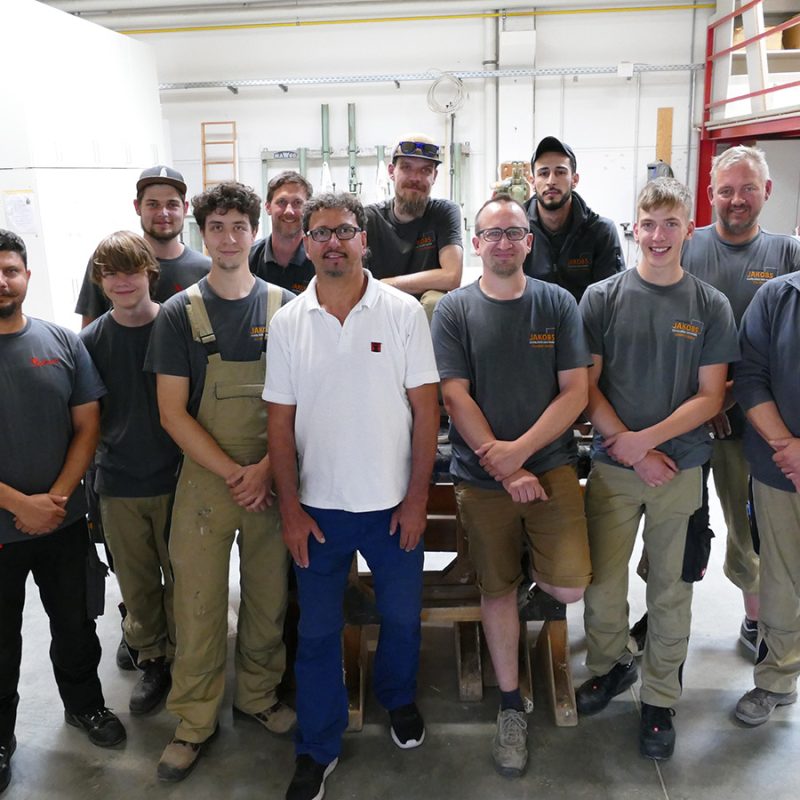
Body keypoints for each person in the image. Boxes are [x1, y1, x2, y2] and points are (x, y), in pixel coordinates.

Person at [264, 192, 439, 800]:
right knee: (316, 632)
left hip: (392, 507)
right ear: (305, 243)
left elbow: (426, 412)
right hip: (318, 511)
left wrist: (417, 500)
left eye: (343, 231)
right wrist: (290, 510)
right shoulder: (289, 322)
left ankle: (397, 698)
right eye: (319, 233)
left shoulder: (401, 313)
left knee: (399, 618)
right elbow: (279, 423)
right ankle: (318, 745)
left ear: (364, 238)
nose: (332, 242)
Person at [575, 179, 738, 760]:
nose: (659, 235)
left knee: (672, 587)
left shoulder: (709, 305)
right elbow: (586, 386)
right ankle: (610, 666)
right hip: (617, 466)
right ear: (634, 228)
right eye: (649, 223)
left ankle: (661, 697)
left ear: (687, 231)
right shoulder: (600, 298)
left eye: (671, 224)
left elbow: (710, 395)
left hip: (681, 469)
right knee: (603, 581)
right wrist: (632, 448)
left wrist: (649, 442)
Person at [431, 195, 592, 777]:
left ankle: (530, 567)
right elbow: (454, 395)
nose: (502, 243)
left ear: (529, 242)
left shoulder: (556, 304)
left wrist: (521, 456)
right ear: (475, 243)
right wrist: (503, 467)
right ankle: (508, 704)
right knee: (495, 592)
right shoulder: (453, 310)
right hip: (481, 475)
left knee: (569, 588)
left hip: (547, 466)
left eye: (513, 233)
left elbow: (574, 391)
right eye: (491, 234)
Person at [145, 182, 296, 782]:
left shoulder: (287, 307)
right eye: (216, 227)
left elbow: (304, 399)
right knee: (198, 603)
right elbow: (171, 412)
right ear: (200, 234)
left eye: (239, 226)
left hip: (274, 473)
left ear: (253, 232)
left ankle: (257, 696)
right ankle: (192, 721)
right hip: (209, 481)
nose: (228, 238)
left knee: (267, 596)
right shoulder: (180, 314)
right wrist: (236, 471)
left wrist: (265, 469)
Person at [0, 229, 126, 796]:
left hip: (65, 522)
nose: (2, 281)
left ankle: (86, 706)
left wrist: (54, 500)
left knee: (75, 624)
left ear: (27, 276)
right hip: (4, 526)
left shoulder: (60, 342)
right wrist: (19, 504)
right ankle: (2, 736)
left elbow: (88, 425)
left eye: (10, 269)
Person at [681, 145, 800, 651]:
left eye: (748, 188)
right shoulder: (686, 247)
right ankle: (668, 621)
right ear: (711, 195)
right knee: (680, 526)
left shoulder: (786, 256)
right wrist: (704, 403)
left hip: (752, 422)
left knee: (746, 528)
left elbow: (775, 352)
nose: (736, 199)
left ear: (767, 192)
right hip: (686, 417)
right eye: (726, 190)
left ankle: (756, 620)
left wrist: (727, 400)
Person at [79, 231, 180, 716]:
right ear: (100, 281)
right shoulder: (90, 341)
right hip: (118, 485)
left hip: (179, 481)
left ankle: (190, 660)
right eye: (111, 273)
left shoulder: (177, 327)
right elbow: (84, 421)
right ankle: (153, 659)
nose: (122, 282)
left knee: (186, 581)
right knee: (137, 586)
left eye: (131, 271)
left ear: (150, 274)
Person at [733, 270, 800, 726]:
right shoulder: (776, 298)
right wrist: (789, 448)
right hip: (781, 468)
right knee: (781, 579)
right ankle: (777, 677)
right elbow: (750, 378)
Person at [75, 165, 210, 327]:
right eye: (153, 204)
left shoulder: (205, 270)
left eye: (172, 204)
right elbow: (89, 334)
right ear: (137, 207)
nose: (163, 213)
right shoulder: (108, 261)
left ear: (185, 208)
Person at [364, 134, 463, 321]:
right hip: (379, 313)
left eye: (425, 170)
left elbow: (452, 276)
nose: (416, 178)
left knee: (436, 301)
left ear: (434, 176)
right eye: (407, 168)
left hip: (425, 318)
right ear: (391, 171)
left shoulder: (444, 212)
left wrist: (384, 284)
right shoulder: (369, 218)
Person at [523, 136, 624, 302]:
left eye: (560, 172)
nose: (551, 181)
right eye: (544, 173)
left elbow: (611, 301)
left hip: (583, 325)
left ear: (574, 180)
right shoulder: (516, 231)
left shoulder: (600, 232)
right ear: (533, 182)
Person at [249, 170, 315, 294]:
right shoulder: (248, 259)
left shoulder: (320, 259)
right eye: (281, 202)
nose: (289, 211)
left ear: (308, 209)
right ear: (268, 207)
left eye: (297, 203)